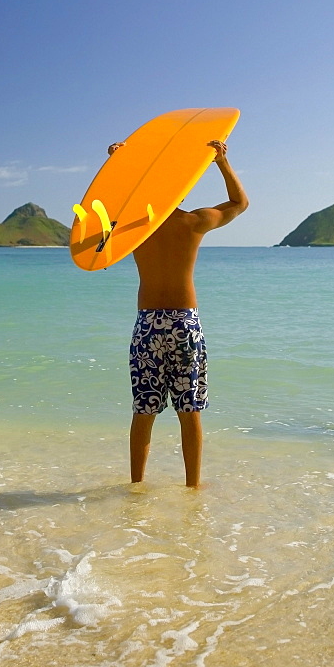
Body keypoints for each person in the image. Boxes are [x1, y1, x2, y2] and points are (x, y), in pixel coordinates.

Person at [108, 139, 248, 488]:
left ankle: (136, 487)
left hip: (148, 325)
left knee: (144, 410)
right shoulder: (195, 221)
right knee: (190, 411)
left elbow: (100, 219)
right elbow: (239, 203)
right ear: (181, 193)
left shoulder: (132, 229)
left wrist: (121, 165)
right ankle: (193, 488)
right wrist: (222, 162)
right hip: (185, 324)